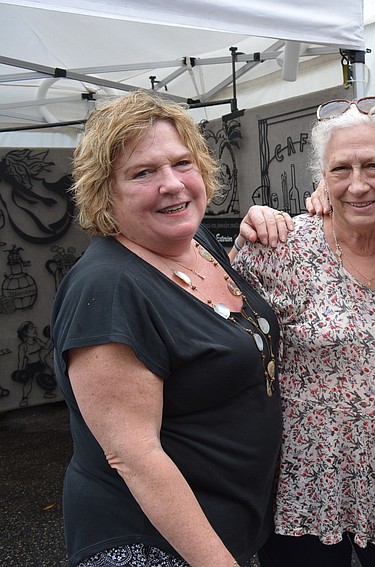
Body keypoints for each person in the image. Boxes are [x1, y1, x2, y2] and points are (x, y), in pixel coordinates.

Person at [51, 91, 282, 567]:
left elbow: (219, 326)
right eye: (143, 172)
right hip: (152, 545)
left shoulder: (193, 240)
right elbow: (135, 456)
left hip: (224, 524)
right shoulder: (108, 288)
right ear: (105, 191)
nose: (172, 184)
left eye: (182, 163)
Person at [232, 97, 375, 566]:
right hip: (301, 483)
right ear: (322, 179)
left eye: (374, 166)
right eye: (340, 170)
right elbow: (222, 345)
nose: (358, 185)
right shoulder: (280, 247)